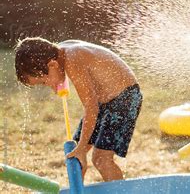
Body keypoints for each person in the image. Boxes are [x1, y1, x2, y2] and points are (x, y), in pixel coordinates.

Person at [15, 37, 142, 182]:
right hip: (103, 102)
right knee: (75, 153)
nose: (49, 86)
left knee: (101, 159)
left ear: (52, 65)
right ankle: (77, 190)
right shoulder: (60, 52)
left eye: (44, 82)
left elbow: (91, 107)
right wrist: (80, 147)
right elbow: (92, 102)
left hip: (125, 99)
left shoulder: (73, 59)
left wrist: (82, 147)